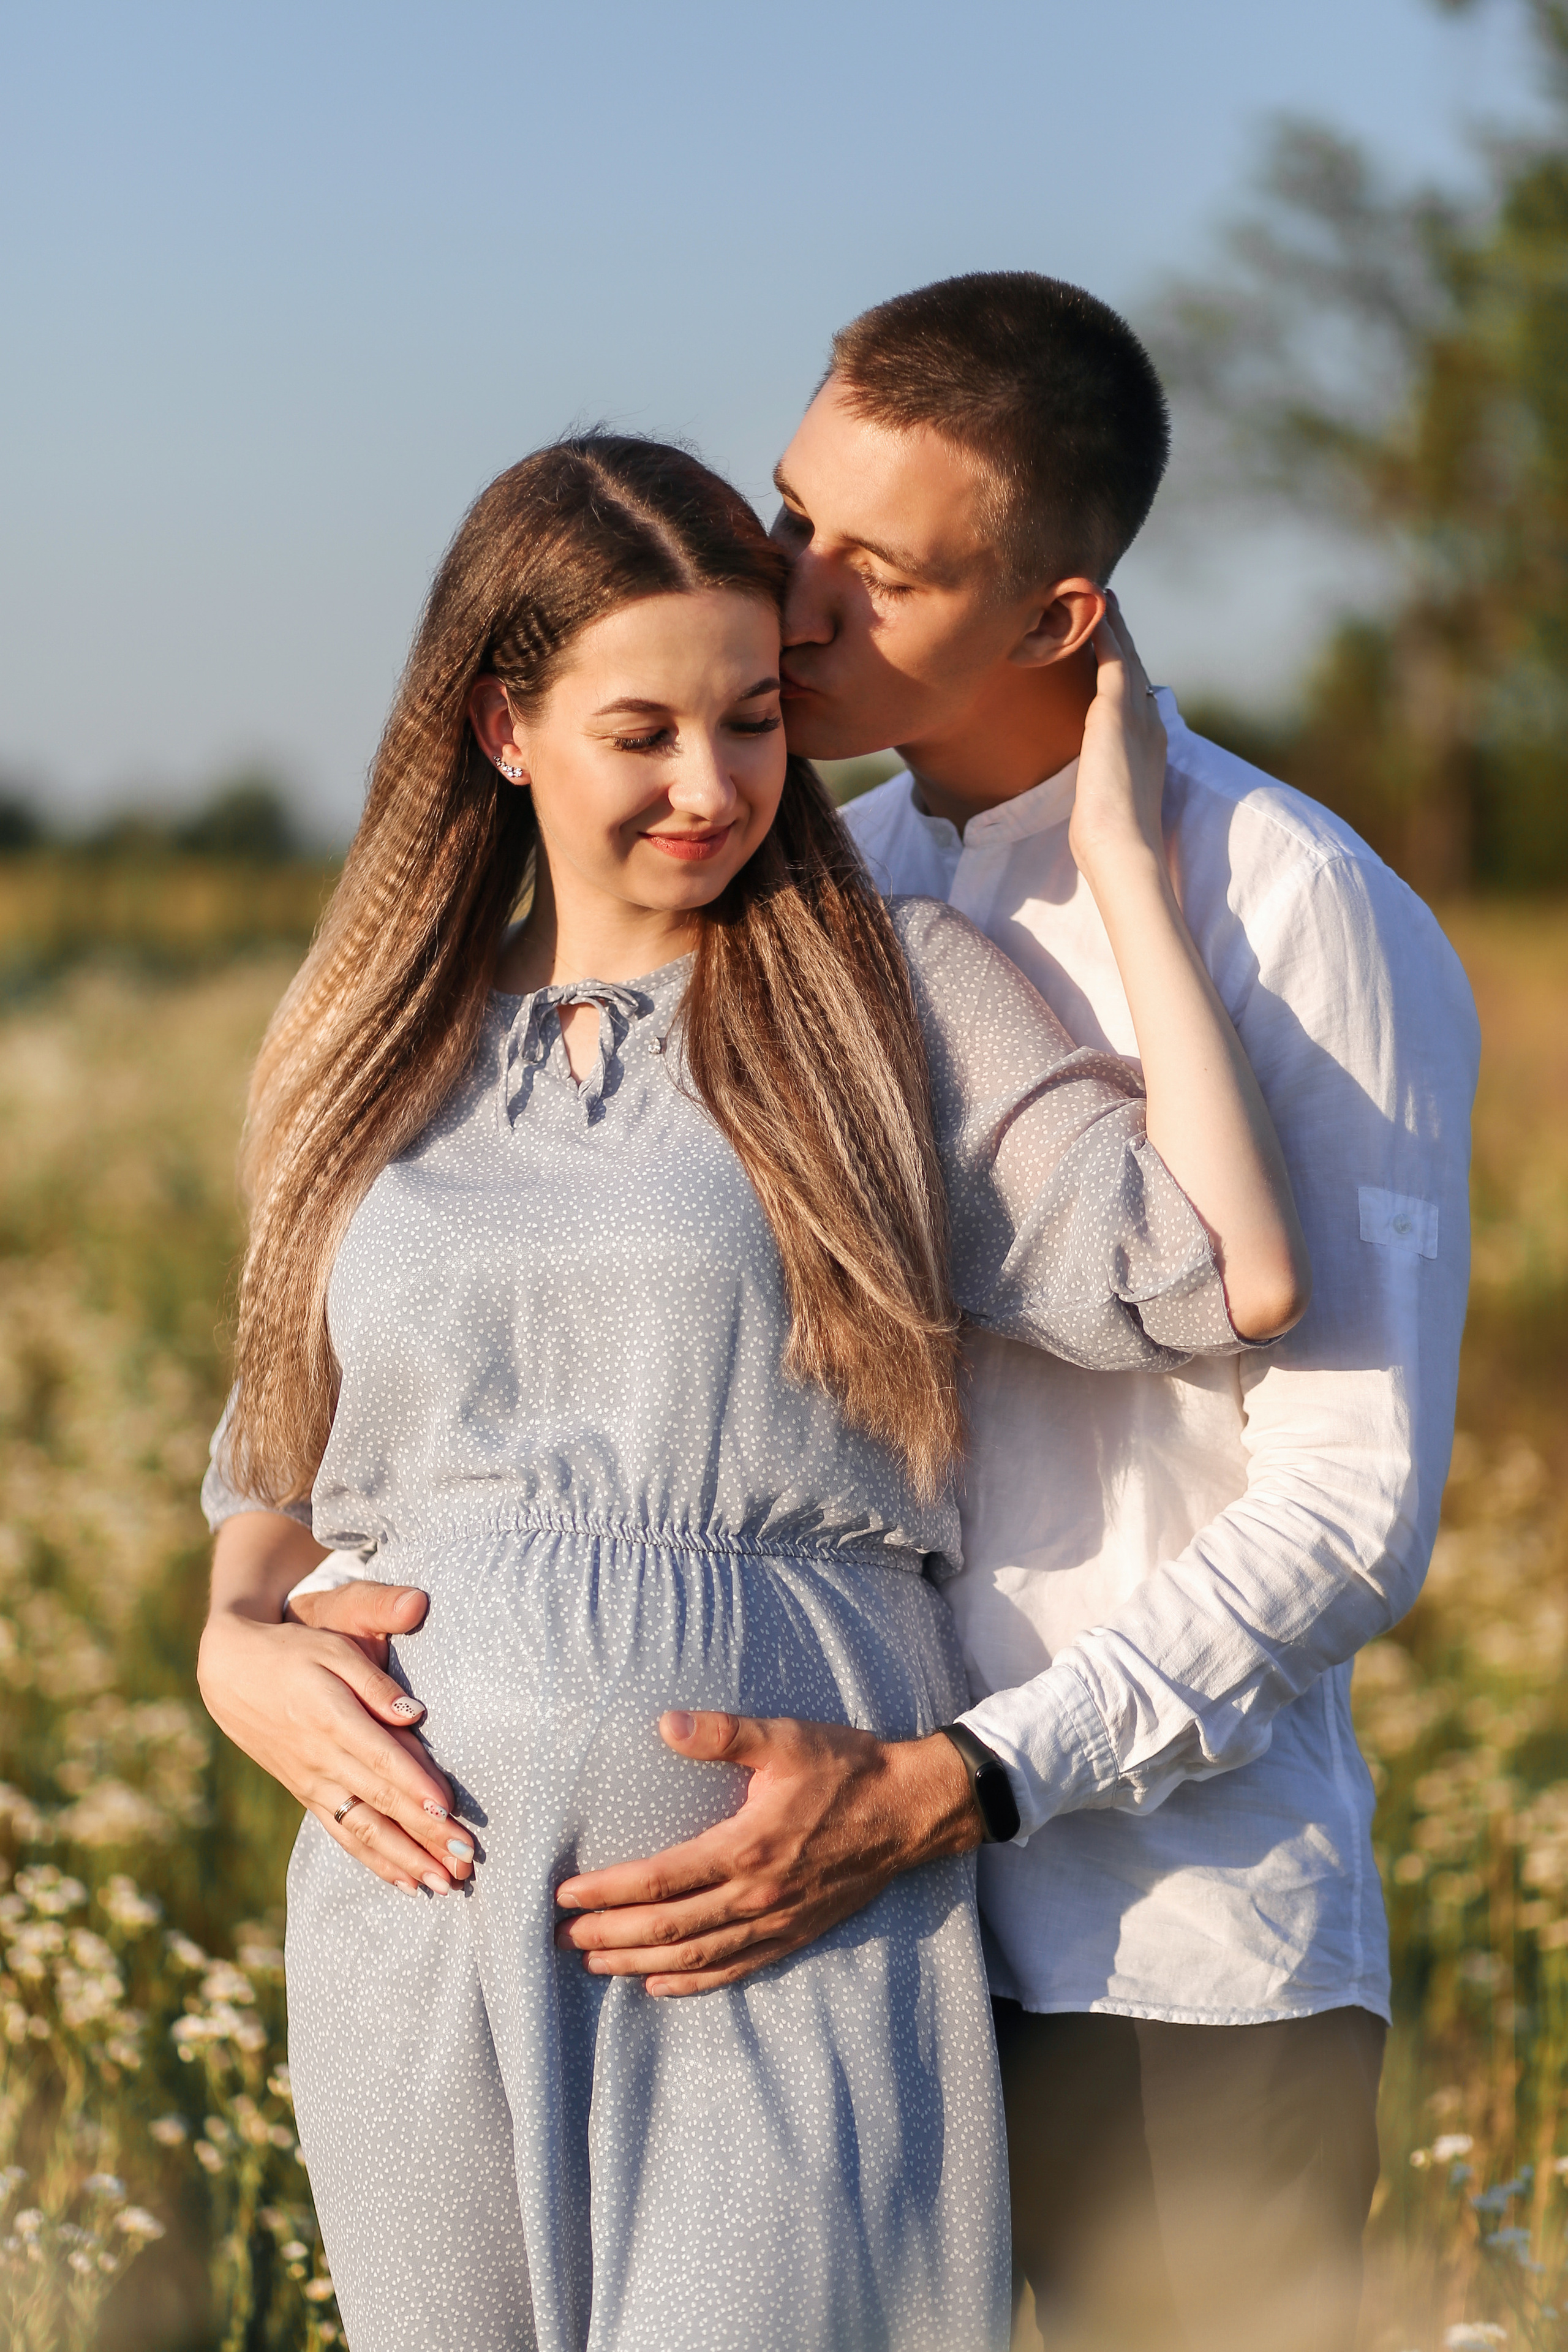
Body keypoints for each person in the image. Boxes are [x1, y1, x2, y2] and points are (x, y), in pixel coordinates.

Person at [194, 432, 1308, 2352]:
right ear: (504, 730)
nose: (712, 786)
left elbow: (1228, 1275)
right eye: (643, 732)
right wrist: (232, 1643)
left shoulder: (887, 995)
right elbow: (277, 1464)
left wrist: (1122, 863)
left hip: (765, 1902)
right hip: (413, 1901)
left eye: (755, 719)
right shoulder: (369, 1040)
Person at [534, 279, 1481, 2352]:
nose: (790, 596)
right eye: (793, 515)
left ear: (1059, 617)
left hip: (1168, 1959)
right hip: (825, 1936)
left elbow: (1353, 1506)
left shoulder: (1293, 905)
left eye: (876, 572)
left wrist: (966, 1780)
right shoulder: (806, 878)